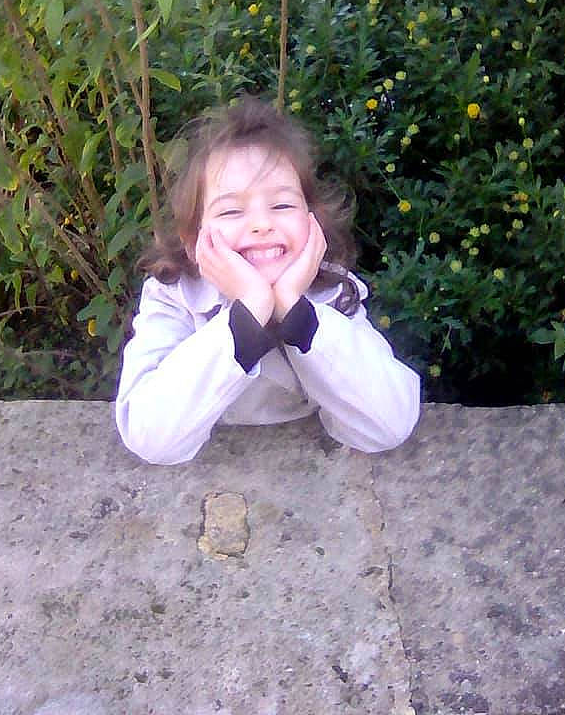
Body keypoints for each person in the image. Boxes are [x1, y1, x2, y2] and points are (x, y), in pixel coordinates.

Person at [115, 96, 420, 465]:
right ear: (195, 239)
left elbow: (388, 425)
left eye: (282, 206)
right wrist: (249, 313)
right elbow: (152, 438)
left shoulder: (331, 291)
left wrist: (297, 312)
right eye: (230, 210)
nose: (262, 224)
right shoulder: (174, 298)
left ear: (313, 222)